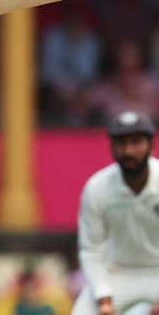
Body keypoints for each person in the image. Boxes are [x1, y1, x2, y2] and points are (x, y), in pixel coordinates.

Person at [72, 111, 159, 315]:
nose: (128, 151)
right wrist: (104, 298)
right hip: (116, 274)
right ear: (111, 147)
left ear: (151, 145)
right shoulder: (97, 188)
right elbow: (91, 251)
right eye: (121, 143)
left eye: (136, 142)